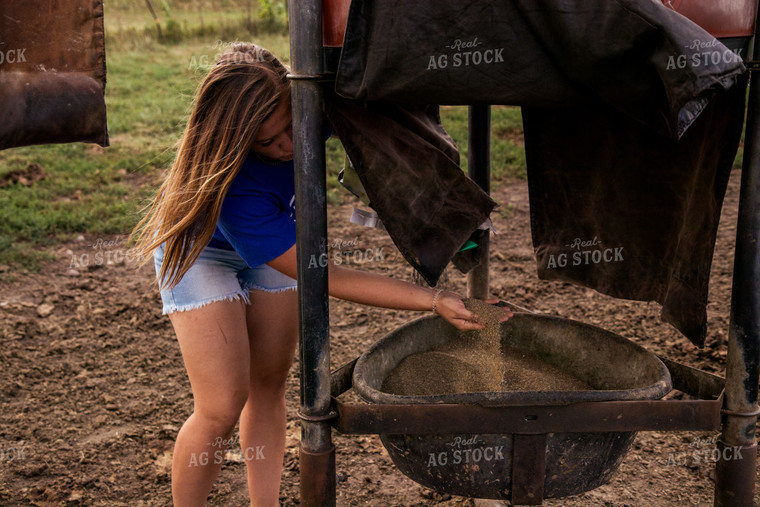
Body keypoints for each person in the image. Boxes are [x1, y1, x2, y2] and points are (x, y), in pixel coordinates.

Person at [130, 43, 511, 506]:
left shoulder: (312, 105)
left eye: (291, 128)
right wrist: (433, 300)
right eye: (267, 142)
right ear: (235, 139)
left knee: (268, 384)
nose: (288, 146)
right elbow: (322, 276)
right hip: (203, 254)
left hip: (281, 242)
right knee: (222, 405)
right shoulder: (235, 189)